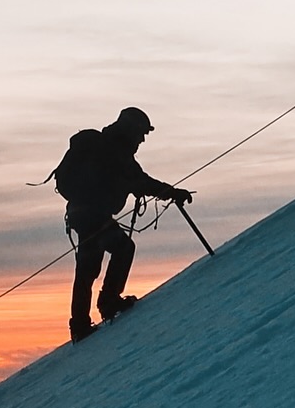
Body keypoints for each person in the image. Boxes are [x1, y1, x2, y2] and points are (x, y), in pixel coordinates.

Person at [52, 108, 193, 344]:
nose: (142, 139)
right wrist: (173, 193)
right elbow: (143, 182)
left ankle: (80, 324)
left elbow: (138, 182)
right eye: (141, 133)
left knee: (88, 267)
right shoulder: (117, 153)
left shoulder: (104, 147)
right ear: (131, 130)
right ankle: (108, 302)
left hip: (79, 213)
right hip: (94, 215)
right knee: (123, 248)